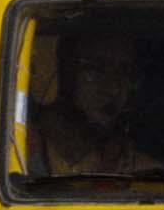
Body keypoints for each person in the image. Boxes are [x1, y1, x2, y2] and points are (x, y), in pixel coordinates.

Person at [29, 31, 152, 174]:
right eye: (95, 69)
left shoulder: (143, 172)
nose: (113, 88)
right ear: (65, 72)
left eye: (125, 72)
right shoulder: (16, 149)